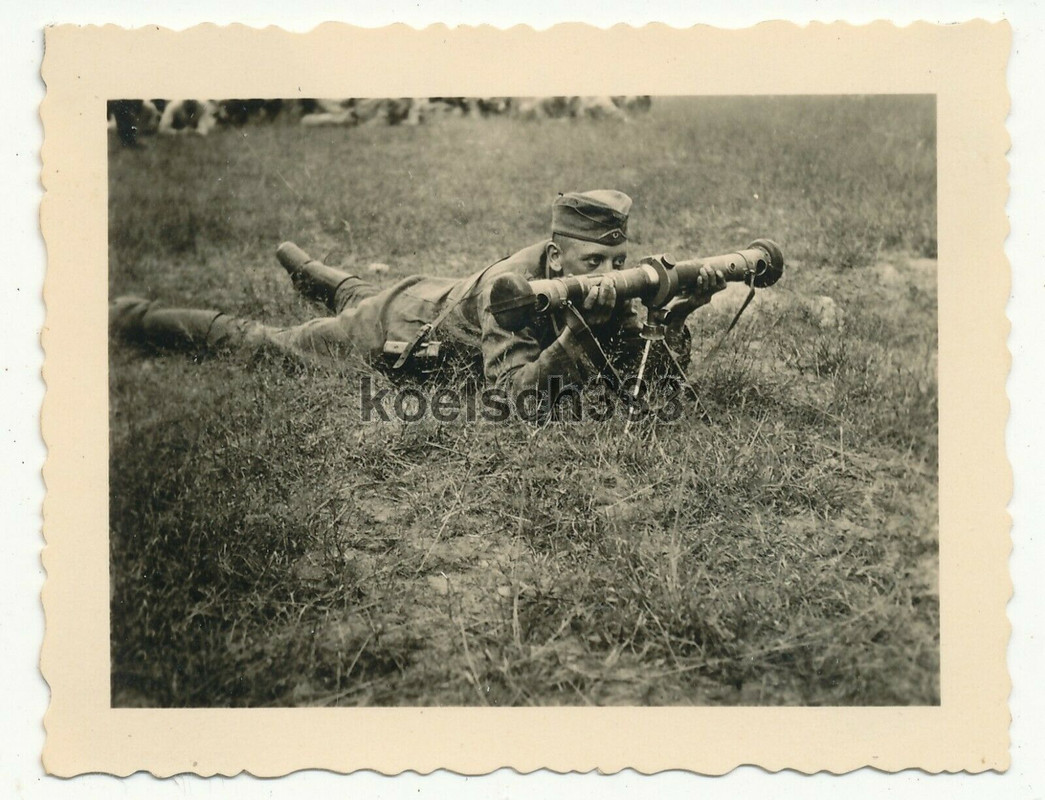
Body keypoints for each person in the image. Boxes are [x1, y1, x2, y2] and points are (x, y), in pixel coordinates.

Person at [110, 190, 727, 398]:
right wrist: (575, 335)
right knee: (270, 343)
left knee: (357, 289)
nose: (609, 274)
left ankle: (314, 273)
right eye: (594, 261)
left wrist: (671, 318)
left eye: (617, 260)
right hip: (400, 325)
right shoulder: (512, 291)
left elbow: (653, 379)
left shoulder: (586, 278)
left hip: (431, 293)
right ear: (558, 254)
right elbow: (516, 399)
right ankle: (135, 315)